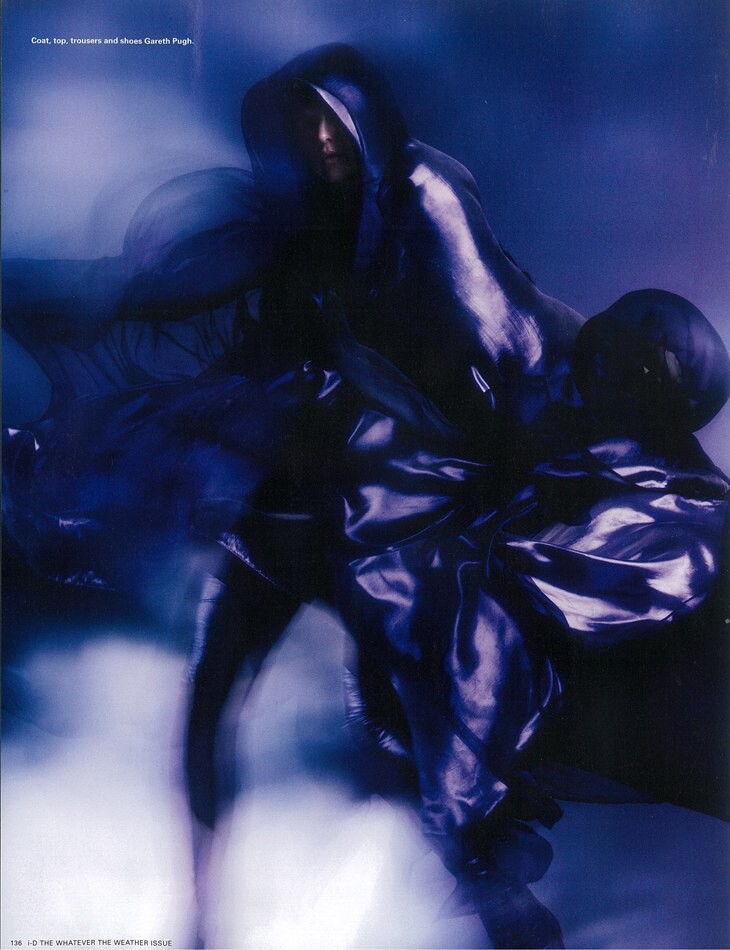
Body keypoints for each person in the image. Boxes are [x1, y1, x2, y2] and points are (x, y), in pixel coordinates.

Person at [3, 44, 728, 949]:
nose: (318, 139)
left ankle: (490, 880)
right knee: (213, 705)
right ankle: (201, 919)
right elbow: (166, 294)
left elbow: (511, 338)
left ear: (368, 126)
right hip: (289, 500)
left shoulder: (427, 202)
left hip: (400, 505)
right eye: (302, 121)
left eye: (334, 121)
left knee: (420, 693)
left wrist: (559, 437)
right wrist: (78, 303)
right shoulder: (284, 232)